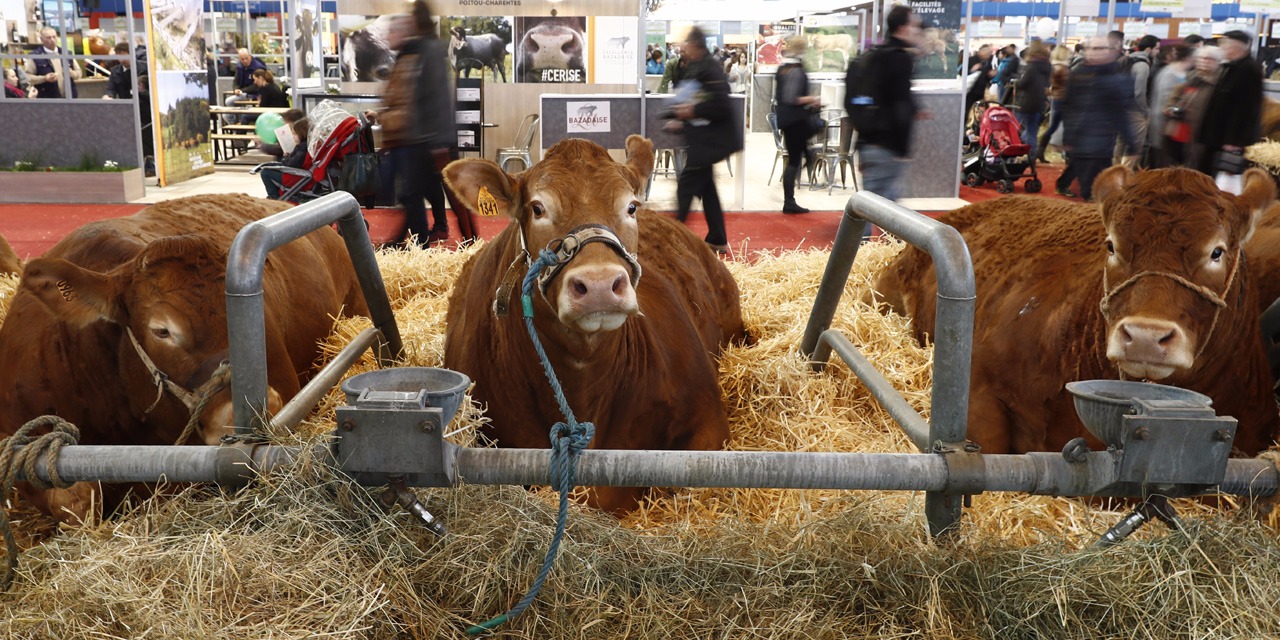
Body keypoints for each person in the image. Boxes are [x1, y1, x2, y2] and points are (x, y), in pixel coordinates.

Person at [669, 26, 741, 255]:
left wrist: (692, 111)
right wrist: (683, 118)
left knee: (685, 187)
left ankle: (673, 239)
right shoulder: (699, 66)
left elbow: (721, 105)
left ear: (694, 45)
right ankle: (717, 238)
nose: (683, 49)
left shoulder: (710, 68)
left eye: (686, 44)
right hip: (704, 140)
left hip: (709, 142)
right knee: (707, 190)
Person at [854, 4, 923, 206]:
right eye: (914, 26)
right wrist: (902, 149)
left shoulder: (874, 55)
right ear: (902, 28)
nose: (918, 31)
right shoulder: (899, 58)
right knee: (873, 208)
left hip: (870, 143)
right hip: (886, 147)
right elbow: (900, 104)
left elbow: (863, 100)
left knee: (882, 205)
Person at [1054, 36, 1138, 201]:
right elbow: (1067, 107)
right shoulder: (1077, 74)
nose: (1097, 52)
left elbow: (1120, 112)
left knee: (1099, 178)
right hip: (1082, 139)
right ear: (1086, 51)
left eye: (1102, 48)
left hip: (1105, 139)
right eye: (1093, 48)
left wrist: (1130, 141)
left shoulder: (1117, 75)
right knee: (1091, 189)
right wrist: (1067, 137)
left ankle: (1064, 184)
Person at [1195, 31, 1263, 178]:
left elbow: (1247, 109)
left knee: (1221, 176)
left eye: (1226, 44)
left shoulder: (1249, 70)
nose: (1223, 48)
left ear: (1238, 47)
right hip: (1217, 134)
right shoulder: (1230, 66)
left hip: (1229, 138)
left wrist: (1234, 141)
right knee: (1207, 172)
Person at [774, 36, 820, 214]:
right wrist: (812, 99)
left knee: (795, 157)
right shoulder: (796, 70)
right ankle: (789, 201)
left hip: (788, 121)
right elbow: (791, 98)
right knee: (794, 160)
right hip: (796, 121)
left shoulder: (784, 68)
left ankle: (808, 156)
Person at [1161, 47, 1222, 169]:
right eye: (1201, 58)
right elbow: (1171, 104)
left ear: (1217, 62)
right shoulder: (1190, 79)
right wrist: (1173, 110)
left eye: (1209, 59)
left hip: (1202, 137)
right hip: (1179, 134)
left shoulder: (1220, 84)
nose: (1204, 61)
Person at [1147, 44, 1192, 168]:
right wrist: (1181, 110)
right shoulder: (1170, 73)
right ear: (1188, 58)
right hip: (1165, 125)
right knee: (1163, 162)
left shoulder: (1178, 72)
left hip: (1171, 126)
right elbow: (1166, 104)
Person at [1037, 43, 1074, 162]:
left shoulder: (1053, 67)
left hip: (1057, 98)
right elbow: (1069, 85)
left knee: (1053, 126)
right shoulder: (1063, 69)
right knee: (1067, 127)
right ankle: (1068, 155)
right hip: (1064, 100)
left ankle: (1040, 150)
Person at [1014, 42, 1051, 161]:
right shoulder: (1047, 66)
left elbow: (1022, 84)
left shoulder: (1031, 67)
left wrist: (1017, 82)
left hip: (1026, 102)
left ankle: (1022, 153)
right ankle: (1032, 156)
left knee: (1017, 128)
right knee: (1033, 130)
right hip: (1039, 102)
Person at [258, 117, 309, 199]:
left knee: (265, 173)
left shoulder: (303, 147)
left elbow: (293, 163)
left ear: (302, 133)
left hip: (296, 177)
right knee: (269, 167)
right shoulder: (305, 145)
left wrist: (286, 158)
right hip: (298, 174)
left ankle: (274, 198)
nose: (293, 137)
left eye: (295, 134)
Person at [25, 27, 81, 99]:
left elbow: (79, 72)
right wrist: (44, 78)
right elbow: (27, 77)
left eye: (54, 37)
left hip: (70, 97)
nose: (52, 40)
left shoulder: (66, 53)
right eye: (48, 38)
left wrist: (72, 73)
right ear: (41, 39)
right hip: (48, 98)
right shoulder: (35, 56)